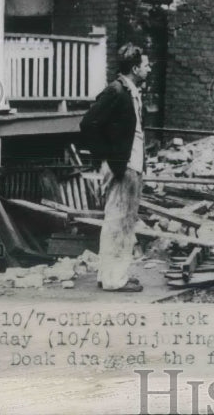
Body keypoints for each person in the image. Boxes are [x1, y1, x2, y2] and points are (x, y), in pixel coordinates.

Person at [80, 43, 152, 292]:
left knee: (121, 222)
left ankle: (109, 274)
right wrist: (107, 159)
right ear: (134, 68)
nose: (149, 69)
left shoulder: (129, 92)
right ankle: (114, 280)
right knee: (119, 222)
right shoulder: (116, 91)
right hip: (123, 166)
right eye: (145, 65)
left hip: (130, 165)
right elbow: (88, 123)